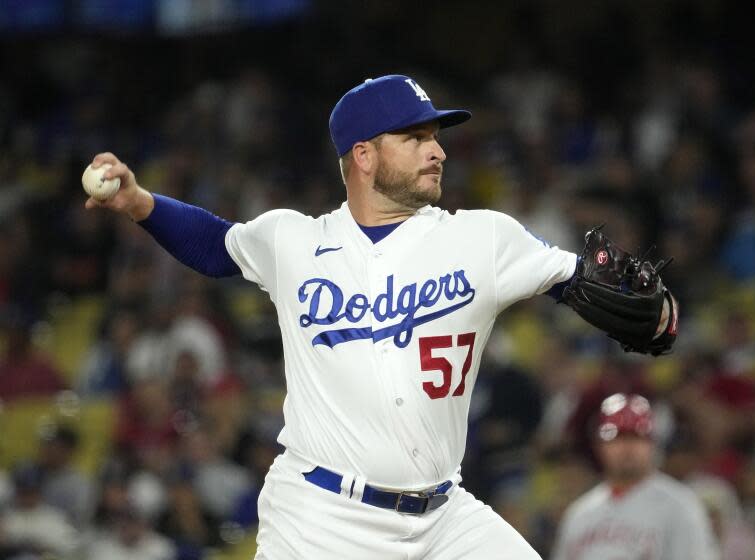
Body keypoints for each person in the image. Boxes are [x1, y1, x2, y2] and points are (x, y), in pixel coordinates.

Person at [85, 75, 676, 559]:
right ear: (363, 155)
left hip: (445, 519)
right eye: (416, 138)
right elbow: (216, 246)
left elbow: (587, 283)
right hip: (320, 520)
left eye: (436, 137)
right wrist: (140, 203)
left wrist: (653, 312)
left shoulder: (484, 238)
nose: (438, 149)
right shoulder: (294, 242)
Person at [551, 393, 718, 560]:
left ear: (652, 444)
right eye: (618, 439)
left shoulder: (680, 506)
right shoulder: (580, 514)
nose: (627, 448)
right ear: (600, 446)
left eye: (636, 438)